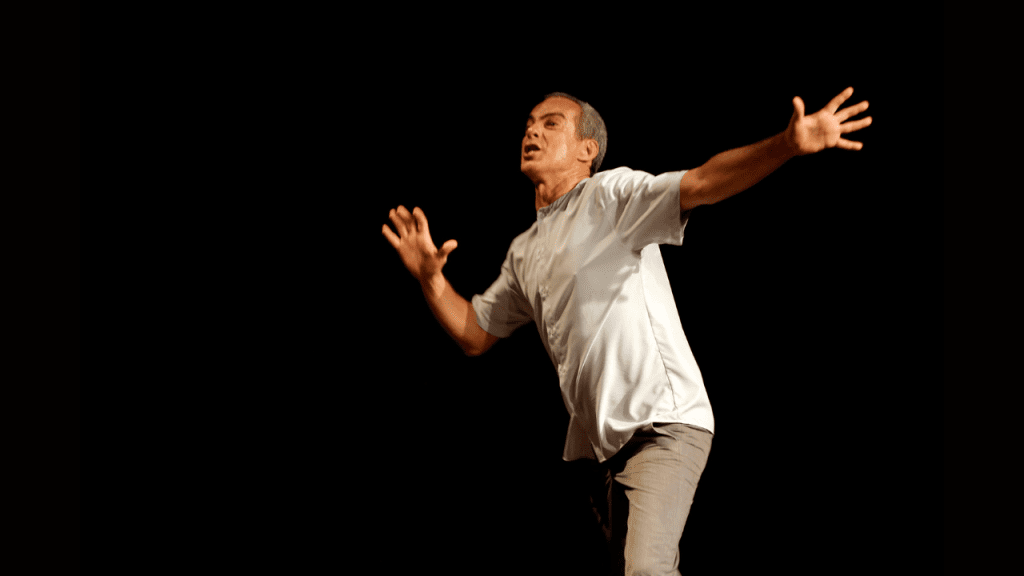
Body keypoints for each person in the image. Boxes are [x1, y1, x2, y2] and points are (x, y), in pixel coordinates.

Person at [382, 89, 871, 576]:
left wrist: (786, 144)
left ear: (587, 149)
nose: (532, 131)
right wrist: (430, 280)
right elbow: (474, 332)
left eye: (551, 123)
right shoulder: (525, 251)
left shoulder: (610, 195)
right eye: (529, 123)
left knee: (646, 571)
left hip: (661, 424)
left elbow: (701, 182)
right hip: (601, 453)